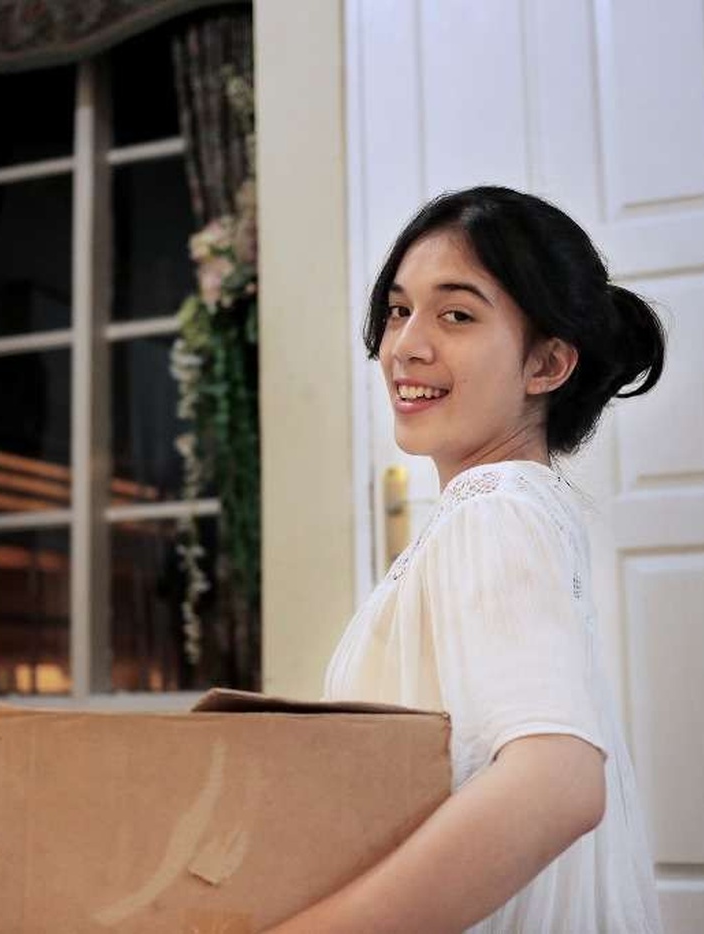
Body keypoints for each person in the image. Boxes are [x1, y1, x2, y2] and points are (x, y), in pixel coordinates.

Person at [266, 186, 666, 933]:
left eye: (456, 315)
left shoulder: (494, 509)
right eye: (398, 310)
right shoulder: (513, 508)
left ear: (546, 364)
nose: (405, 346)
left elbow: (559, 782)